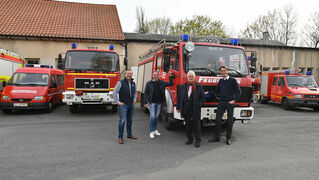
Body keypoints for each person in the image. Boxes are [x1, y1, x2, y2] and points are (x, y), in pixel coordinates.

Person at [208, 65, 241, 145]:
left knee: (230, 121)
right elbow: (216, 91)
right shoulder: (221, 81)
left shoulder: (233, 80)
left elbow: (238, 92)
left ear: (227, 71)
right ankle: (217, 137)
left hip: (230, 103)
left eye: (224, 71)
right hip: (222, 102)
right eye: (221, 71)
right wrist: (208, 92)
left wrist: (234, 100)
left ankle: (228, 138)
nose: (223, 72)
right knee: (218, 120)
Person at [176, 71, 205, 148]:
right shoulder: (183, 86)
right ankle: (190, 139)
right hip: (186, 108)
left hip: (195, 109)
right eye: (189, 76)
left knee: (197, 125)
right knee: (187, 125)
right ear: (187, 77)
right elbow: (179, 98)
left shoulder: (199, 86)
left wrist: (199, 105)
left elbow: (203, 97)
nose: (191, 77)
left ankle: (197, 141)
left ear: (194, 77)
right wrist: (178, 107)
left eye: (192, 76)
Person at [144, 71, 174, 138]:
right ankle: (151, 131)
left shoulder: (162, 83)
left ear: (158, 76)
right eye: (154, 75)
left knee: (156, 117)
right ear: (152, 76)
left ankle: (155, 130)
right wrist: (145, 102)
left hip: (159, 103)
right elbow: (146, 93)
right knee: (152, 117)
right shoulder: (149, 83)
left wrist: (170, 76)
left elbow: (170, 83)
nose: (155, 76)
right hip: (152, 103)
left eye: (156, 75)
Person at [112, 69, 138, 144]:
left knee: (130, 120)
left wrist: (135, 98)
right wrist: (118, 102)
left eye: (130, 73)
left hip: (131, 105)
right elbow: (114, 93)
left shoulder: (133, 83)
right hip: (123, 105)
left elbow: (135, 92)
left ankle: (129, 134)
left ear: (132, 75)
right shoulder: (120, 83)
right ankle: (120, 137)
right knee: (122, 121)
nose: (129, 75)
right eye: (128, 73)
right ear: (125, 74)